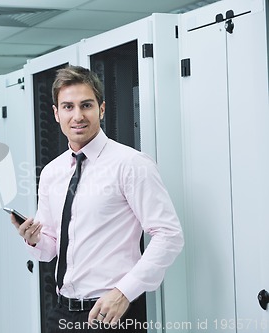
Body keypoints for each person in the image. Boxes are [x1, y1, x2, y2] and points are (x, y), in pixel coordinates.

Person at [10, 66, 184, 332]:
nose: (77, 116)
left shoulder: (131, 164)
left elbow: (169, 235)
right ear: (56, 114)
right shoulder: (51, 173)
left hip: (112, 312)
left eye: (86, 105)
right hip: (62, 313)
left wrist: (124, 292)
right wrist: (33, 239)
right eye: (68, 107)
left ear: (101, 109)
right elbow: (50, 249)